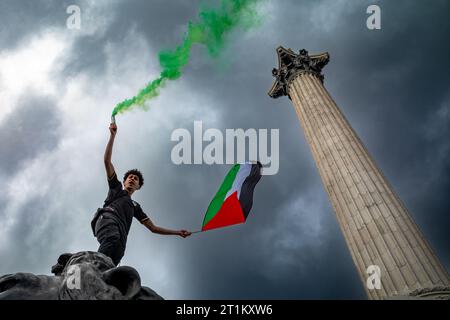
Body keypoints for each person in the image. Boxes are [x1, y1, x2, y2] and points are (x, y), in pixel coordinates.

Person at [91, 122, 191, 266]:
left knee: (117, 254)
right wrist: (112, 136)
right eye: (130, 177)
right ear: (124, 182)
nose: (132, 179)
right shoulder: (116, 188)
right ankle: (92, 269)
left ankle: (103, 277)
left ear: (138, 187)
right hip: (107, 219)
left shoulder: (135, 207)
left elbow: (153, 228)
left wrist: (177, 232)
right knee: (112, 239)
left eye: (135, 179)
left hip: (121, 234)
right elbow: (107, 161)